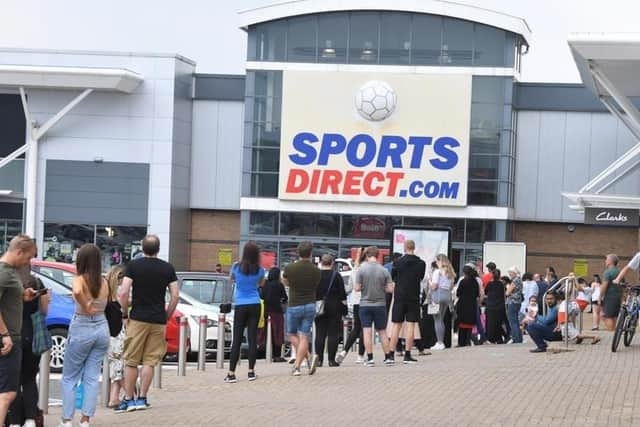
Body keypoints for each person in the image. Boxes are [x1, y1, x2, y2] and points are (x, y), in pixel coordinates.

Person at [115, 235, 179, 412]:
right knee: (150, 361)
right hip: (158, 319)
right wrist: (167, 314)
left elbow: (123, 292)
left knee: (131, 361)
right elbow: (175, 295)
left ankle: (128, 399)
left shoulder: (134, 266)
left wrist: (125, 314)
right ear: (158, 249)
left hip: (137, 318)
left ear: (142, 248)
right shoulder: (167, 268)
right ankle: (142, 398)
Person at [60, 244, 111, 427]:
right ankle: (85, 420)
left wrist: (86, 304)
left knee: (70, 376)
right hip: (101, 327)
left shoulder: (79, 279)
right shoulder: (104, 281)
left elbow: (76, 291)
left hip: (82, 325)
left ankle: (67, 420)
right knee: (91, 377)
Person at [0, 235, 38, 426]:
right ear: (18, 252)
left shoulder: (11, 272)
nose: (27, 262)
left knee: (7, 391)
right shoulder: (4, 272)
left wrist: (23, 295)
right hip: (7, 338)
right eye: (28, 257)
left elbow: (7, 297)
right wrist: (5, 334)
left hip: (12, 336)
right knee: (7, 393)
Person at [7, 270, 49, 427]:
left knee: (13, 381)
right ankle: (31, 419)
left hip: (13, 333)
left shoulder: (10, 282)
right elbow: (44, 310)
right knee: (30, 378)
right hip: (32, 333)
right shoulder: (37, 282)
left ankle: (14, 421)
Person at [225, 242, 265, 383]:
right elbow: (261, 284)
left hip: (241, 305)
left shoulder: (236, 267)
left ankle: (231, 373)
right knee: (252, 338)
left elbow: (231, 280)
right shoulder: (260, 269)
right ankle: (251, 372)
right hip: (255, 303)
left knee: (237, 339)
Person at [282, 241, 321, 376]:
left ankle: (298, 366)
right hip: (310, 304)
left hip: (294, 305)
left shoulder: (290, 268)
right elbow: (316, 285)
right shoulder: (316, 270)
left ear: (298, 253)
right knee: (304, 336)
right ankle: (308, 358)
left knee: (291, 334)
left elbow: (285, 281)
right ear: (311, 253)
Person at [353, 246, 393, 366]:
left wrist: (363, 287)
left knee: (366, 331)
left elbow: (356, 288)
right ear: (378, 255)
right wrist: (382, 288)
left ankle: (370, 358)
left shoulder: (361, 270)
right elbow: (390, 289)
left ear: (366, 255)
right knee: (382, 332)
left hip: (365, 304)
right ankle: (388, 357)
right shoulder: (384, 270)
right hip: (380, 304)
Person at [388, 240, 426, 364]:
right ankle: (408, 355)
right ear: (414, 248)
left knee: (396, 325)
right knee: (411, 325)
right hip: (413, 297)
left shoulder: (397, 263)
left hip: (399, 297)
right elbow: (420, 277)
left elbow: (394, 278)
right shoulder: (421, 263)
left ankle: (391, 355)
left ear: (404, 248)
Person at [314, 255, 347, 367]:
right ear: (332, 263)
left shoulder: (316, 275)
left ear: (321, 263)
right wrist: (345, 308)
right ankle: (331, 360)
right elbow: (342, 295)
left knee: (320, 333)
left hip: (319, 307)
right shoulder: (336, 275)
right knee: (333, 333)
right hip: (334, 307)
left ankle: (318, 360)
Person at [336, 248, 366, 365]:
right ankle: (360, 355)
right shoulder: (366, 268)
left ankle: (344, 351)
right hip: (366, 301)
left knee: (356, 328)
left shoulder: (355, 269)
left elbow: (349, 288)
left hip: (356, 302)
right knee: (365, 329)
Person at [106, 266, 126, 407]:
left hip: (113, 334)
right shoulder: (114, 299)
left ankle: (114, 398)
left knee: (117, 366)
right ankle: (132, 395)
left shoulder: (108, 295)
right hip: (115, 336)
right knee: (118, 368)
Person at [258, 267, 288, 362]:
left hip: (265, 311)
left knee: (265, 332)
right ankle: (277, 355)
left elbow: (261, 296)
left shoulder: (265, 284)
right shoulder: (279, 285)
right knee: (277, 333)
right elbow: (284, 297)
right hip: (276, 311)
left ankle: (266, 353)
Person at [429, 254, 456, 351]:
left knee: (437, 320)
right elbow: (451, 287)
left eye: (437, 261)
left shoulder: (437, 272)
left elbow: (434, 286)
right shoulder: (451, 273)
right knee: (441, 319)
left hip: (437, 295)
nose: (436, 263)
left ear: (440, 261)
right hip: (447, 296)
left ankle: (439, 342)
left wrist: (429, 281)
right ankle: (441, 341)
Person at [455, 266, 479, 347]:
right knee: (469, 324)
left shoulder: (463, 281)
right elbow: (477, 294)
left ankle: (461, 342)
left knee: (462, 324)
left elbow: (458, 293)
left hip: (463, 304)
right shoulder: (475, 282)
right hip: (472, 304)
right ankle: (468, 341)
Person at [598, 254, 621, 331]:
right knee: (614, 317)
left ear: (610, 261)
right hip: (618, 297)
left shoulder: (608, 272)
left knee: (606, 317)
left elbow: (604, 286)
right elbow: (623, 286)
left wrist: (600, 297)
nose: (605, 261)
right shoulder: (619, 271)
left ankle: (611, 333)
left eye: (606, 259)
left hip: (609, 297)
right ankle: (613, 333)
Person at [484, 271, 506, 344]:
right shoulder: (502, 284)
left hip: (491, 305)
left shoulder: (490, 283)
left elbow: (485, 292)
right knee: (498, 322)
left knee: (490, 323)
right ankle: (499, 338)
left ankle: (491, 338)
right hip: (500, 305)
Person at [505, 266, 524, 344]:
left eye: (510, 273)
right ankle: (519, 338)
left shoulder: (515, 280)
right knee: (516, 321)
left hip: (512, 302)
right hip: (518, 302)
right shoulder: (520, 280)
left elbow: (507, 292)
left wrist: (507, 288)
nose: (509, 275)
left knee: (513, 322)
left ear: (514, 273)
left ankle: (516, 339)